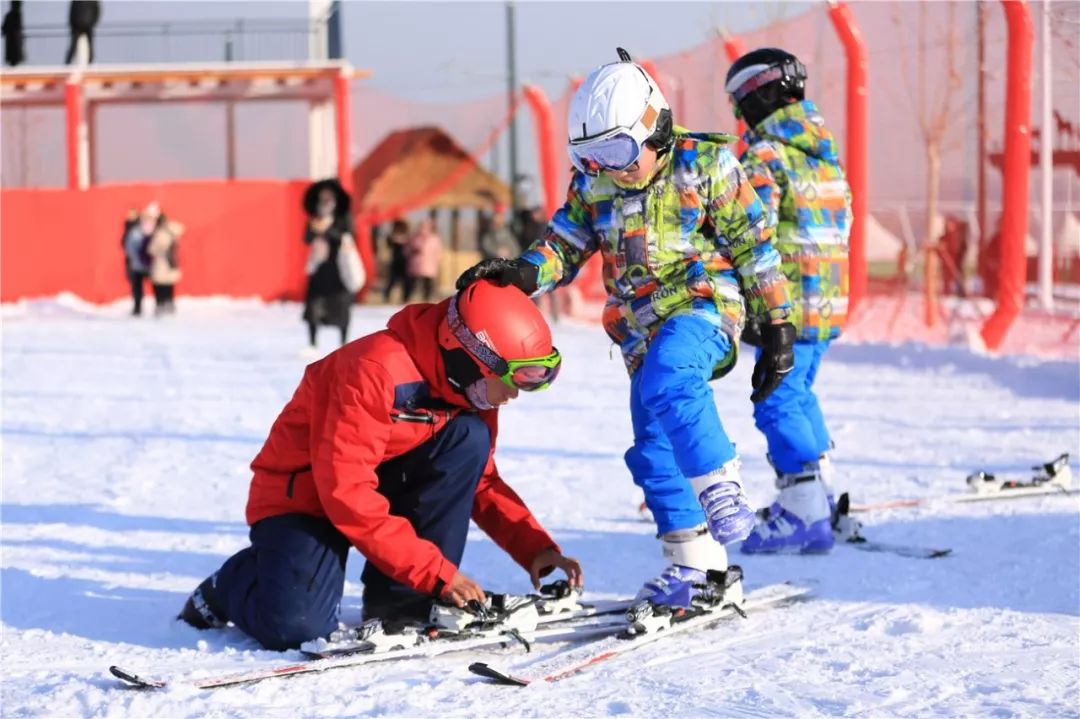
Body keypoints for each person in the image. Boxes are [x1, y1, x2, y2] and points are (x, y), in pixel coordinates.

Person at [457, 49, 793, 608]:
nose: (611, 167)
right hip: (638, 332)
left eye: (616, 150)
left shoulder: (704, 166)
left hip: (701, 307)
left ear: (653, 125)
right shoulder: (596, 185)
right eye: (592, 156)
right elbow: (564, 245)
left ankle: (720, 486)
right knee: (652, 451)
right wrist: (522, 271)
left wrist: (778, 323)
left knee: (670, 379)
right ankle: (696, 566)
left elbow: (754, 246)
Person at [178, 281, 582, 650]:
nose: (512, 395)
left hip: (377, 490)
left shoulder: (471, 390)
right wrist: (436, 573)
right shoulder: (372, 371)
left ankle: (399, 600)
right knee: (296, 628)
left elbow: (479, 480)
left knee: (468, 439)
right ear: (469, 356)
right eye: (511, 380)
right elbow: (346, 493)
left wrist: (536, 549)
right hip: (305, 499)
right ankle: (230, 584)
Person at [724, 48, 852, 554]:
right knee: (799, 395)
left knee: (775, 400)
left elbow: (749, 231)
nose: (738, 116)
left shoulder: (765, 155)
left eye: (740, 103)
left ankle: (802, 512)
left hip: (787, 305)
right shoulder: (824, 154)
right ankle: (823, 494)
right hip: (826, 303)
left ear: (761, 94)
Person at [302, 179, 355, 349]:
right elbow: (306, 239)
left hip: (339, 269)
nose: (325, 198)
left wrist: (327, 230)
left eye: (328, 194)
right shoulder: (315, 217)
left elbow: (347, 236)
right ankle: (312, 342)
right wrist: (315, 229)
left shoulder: (343, 217)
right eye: (322, 195)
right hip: (320, 268)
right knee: (314, 305)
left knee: (341, 305)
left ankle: (343, 341)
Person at [121, 203, 160, 316]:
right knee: (139, 288)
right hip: (144, 264)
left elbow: (129, 246)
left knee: (143, 287)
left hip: (142, 264)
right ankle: (139, 308)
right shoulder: (140, 229)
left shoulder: (138, 230)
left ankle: (140, 309)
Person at [147, 216, 183, 316]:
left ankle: (160, 305)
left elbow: (152, 249)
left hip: (161, 262)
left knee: (159, 285)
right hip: (171, 263)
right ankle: (169, 304)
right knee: (169, 285)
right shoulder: (173, 232)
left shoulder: (160, 233)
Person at [405, 217, 442, 302]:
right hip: (415, 264)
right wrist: (412, 252)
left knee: (428, 283)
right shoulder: (414, 237)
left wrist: (437, 261)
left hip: (429, 265)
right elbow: (407, 249)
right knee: (412, 283)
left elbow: (438, 251)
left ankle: (427, 299)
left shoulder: (434, 238)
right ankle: (408, 298)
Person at [382, 219, 411, 303]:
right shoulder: (392, 237)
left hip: (405, 262)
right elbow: (389, 244)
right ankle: (386, 296)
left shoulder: (407, 237)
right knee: (392, 281)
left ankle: (405, 298)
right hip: (395, 262)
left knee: (406, 282)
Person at [65, 0, 99, 65]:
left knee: (88, 45)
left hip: (85, 25)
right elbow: (72, 13)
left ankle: (68, 62)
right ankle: (68, 62)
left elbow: (71, 13)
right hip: (80, 26)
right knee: (74, 45)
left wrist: (92, 23)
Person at [2, 0, 25, 67]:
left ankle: (14, 62)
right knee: (14, 53)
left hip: (13, 39)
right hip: (13, 39)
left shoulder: (14, 15)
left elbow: (4, 28)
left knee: (14, 53)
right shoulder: (15, 15)